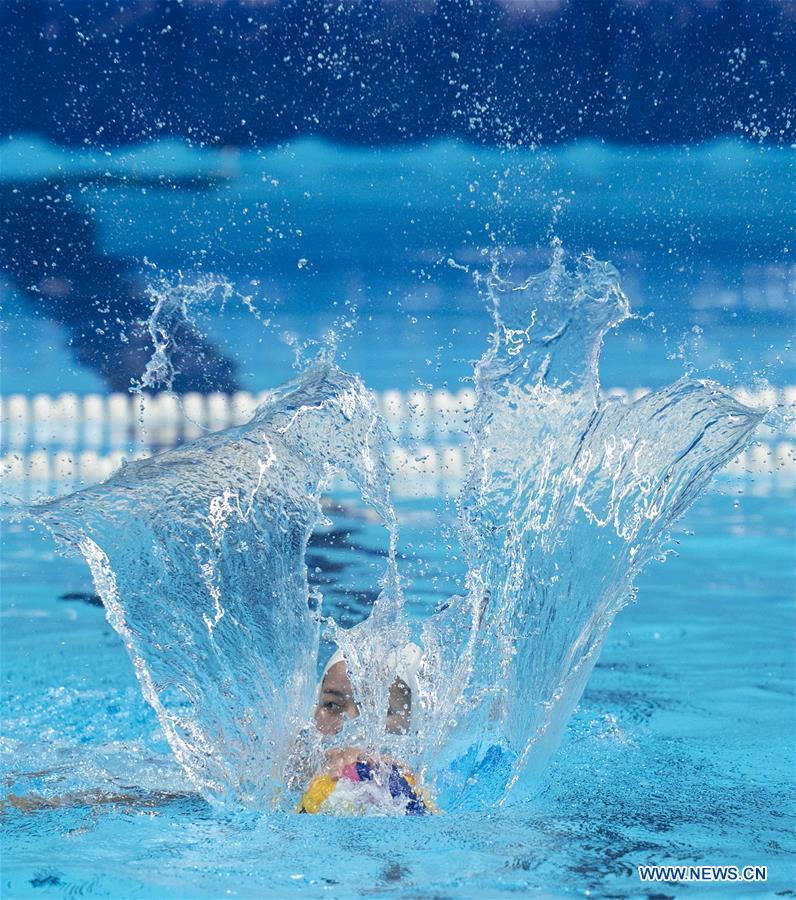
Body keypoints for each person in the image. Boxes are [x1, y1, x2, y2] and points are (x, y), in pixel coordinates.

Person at [297, 643, 438, 816]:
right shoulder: (291, 765)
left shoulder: (441, 779)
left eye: (376, 710)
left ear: (415, 720)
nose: (347, 723)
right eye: (332, 705)